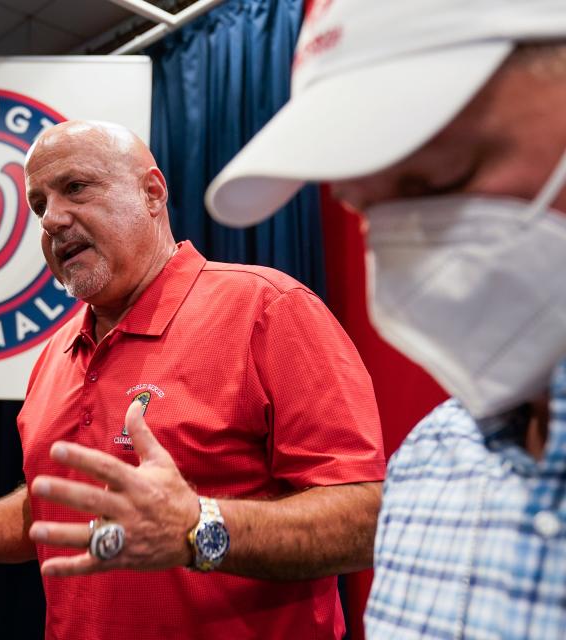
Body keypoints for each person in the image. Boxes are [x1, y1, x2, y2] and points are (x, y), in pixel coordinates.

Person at [0, 120, 386, 639]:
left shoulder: (268, 309)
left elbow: (365, 520)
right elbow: (50, 512)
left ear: (152, 193)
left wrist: (199, 528)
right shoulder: (54, 354)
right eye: (38, 204)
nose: (52, 219)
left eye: (75, 188)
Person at [205, 1, 566, 637]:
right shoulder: (432, 466)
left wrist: (199, 528)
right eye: (365, 211)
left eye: (433, 180)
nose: (409, 258)